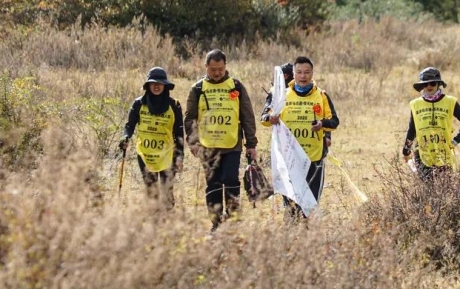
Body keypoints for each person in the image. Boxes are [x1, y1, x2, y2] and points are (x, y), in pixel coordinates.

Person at [184, 49, 259, 232]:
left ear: (226, 66)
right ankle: (216, 223)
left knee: (231, 179)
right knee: (213, 184)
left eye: (220, 69)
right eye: (213, 69)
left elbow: (247, 116)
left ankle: (233, 220)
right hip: (207, 146)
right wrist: (193, 142)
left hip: (232, 144)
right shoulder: (198, 89)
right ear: (206, 67)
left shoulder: (236, 87)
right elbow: (190, 118)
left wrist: (251, 144)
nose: (217, 73)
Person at [262, 56, 339, 218]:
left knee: (310, 204)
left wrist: (322, 124)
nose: (303, 76)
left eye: (306, 72)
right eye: (299, 72)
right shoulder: (282, 95)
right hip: (289, 158)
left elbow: (334, 121)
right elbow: (264, 118)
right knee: (292, 205)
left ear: (312, 73)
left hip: (314, 157)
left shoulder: (322, 95)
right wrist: (271, 119)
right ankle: (292, 236)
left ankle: (306, 237)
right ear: (293, 74)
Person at [120, 67, 184, 209]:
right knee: (151, 190)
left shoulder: (174, 105)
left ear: (165, 85)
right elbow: (129, 126)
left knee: (167, 189)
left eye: (160, 83)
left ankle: (167, 219)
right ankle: (154, 220)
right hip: (146, 154)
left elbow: (179, 133)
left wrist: (180, 156)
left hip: (167, 154)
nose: (156, 86)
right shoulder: (138, 104)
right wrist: (125, 137)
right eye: (153, 83)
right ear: (148, 85)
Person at [402, 67, 460, 181]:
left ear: (438, 84)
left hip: (444, 152)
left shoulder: (450, 102)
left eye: (432, 83)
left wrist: (456, 141)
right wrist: (406, 150)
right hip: (422, 153)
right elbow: (412, 129)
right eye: (425, 84)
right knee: (427, 188)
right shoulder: (415, 104)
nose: (429, 86)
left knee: (445, 187)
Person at [261, 62, 332, 151]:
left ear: (285, 76)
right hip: (285, 146)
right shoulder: (276, 93)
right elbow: (264, 116)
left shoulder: (314, 92)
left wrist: (327, 136)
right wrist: (269, 118)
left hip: (312, 147)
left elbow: (325, 116)